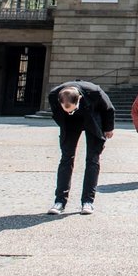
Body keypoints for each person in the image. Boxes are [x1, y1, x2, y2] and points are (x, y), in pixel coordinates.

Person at [47, 80, 115, 215]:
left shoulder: (94, 92)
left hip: (92, 119)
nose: (70, 111)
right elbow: (56, 114)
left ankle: (88, 201)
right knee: (66, 158)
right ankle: (59, 201)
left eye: (72, 108)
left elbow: (108, 109)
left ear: (79, 98)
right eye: (67, 109)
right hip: (69, 124)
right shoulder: (54, 95)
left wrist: (108, 128)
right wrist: (67, 121)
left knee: (92, 160)